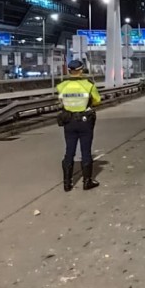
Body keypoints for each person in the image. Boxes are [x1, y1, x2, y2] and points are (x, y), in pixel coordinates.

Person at [56, 59, 102, 191]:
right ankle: (87, 182)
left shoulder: (62, 86)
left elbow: (60, 101)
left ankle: (67, 183)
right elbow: (97, 101)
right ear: (81, 70)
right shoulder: (88, 85)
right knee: (85, 151)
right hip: (85, 121)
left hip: (68, 121)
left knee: (69, 151)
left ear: (69, 71)